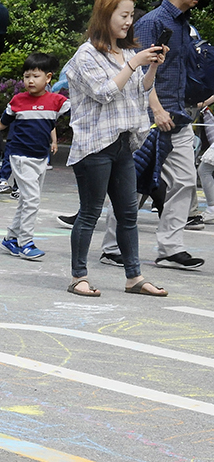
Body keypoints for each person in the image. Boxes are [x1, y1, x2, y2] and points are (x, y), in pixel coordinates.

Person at [65, 0, 166, 297]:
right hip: (94, 145)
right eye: (123, 15)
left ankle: (134, 277)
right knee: (90, 212)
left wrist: (150, 69)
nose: (128, 21)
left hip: (123, 143)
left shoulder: (127, 52)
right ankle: (78, 276)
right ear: (105, 15)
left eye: (131, 15)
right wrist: (133, 64)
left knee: (128, 214)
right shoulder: (86, 55)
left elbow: (139, 91)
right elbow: (104, 92)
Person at [102, 0, 203, 272]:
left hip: (178, 117)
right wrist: (156, 109)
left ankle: (170, 249)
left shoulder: (183, 23)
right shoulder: (152, 22)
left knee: (184, 181)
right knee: (133, 185)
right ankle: (112, 247)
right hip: (150, 120)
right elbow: (140, 72)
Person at [0, 53, 66, 261]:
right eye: (27, 76)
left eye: (35, 76)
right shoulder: (18, 101)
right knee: (32, 200)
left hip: (40, 158)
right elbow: (1, 124)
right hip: (20, 156)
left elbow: (77, 113)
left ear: (48, 78)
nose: (30, 80)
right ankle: (25, 242)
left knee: (27, 200)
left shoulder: (57, 101)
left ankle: (11, 238)